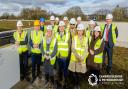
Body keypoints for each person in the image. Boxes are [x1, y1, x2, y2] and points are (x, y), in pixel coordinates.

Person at [68, 23, 89, 89]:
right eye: (79, 30)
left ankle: (78, 85)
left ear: (83, 31)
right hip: (74, 59)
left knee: (79, 73)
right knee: (74, 73)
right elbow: (73, 48)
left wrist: (82, 58)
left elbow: (86, 49)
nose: (80, 32)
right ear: (77, 31)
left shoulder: (86, 39)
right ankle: (75, 84)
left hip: (82, 60)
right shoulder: (74, 37)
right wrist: (78, 57)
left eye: (81, 30)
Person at [55, 21, 70, 88]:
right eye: (60, 27)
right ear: (58, 27)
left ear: (64, 27)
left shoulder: (68, 34)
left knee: (65, 70)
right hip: (58, 55)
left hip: (65, 56)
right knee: (59, 70)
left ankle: (65, 82)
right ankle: (59, 81)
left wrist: (68, 55)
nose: (61, 28)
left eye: (62, 26)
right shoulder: (56, 34)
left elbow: (69, 45)